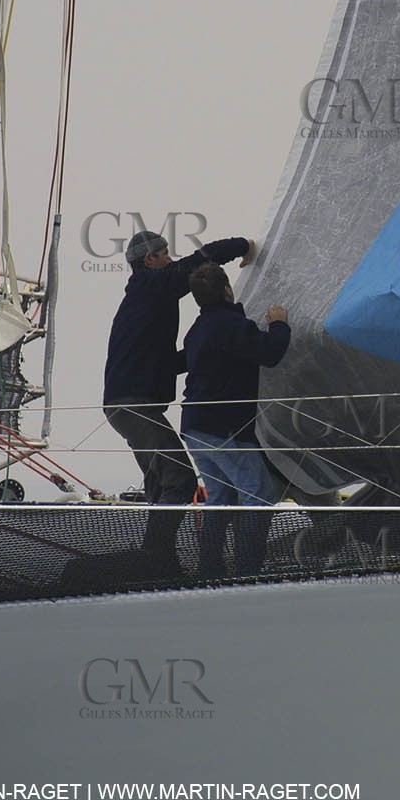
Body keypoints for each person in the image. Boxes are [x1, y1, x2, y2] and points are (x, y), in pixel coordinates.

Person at [102, 229, 255, 568]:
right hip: (133, 405)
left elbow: (163, 362)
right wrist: (243, 246)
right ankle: (155, 557)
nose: (170, 259)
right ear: (149, 260)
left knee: (160, 483)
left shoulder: (146, 297)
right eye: (165, 254)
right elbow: (199, 262)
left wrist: (206, 350)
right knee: (180, 478)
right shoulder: (150, 286)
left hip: (127, 404)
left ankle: (160, 561)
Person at [180, 263, 291, 576]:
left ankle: (209, 569)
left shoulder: (198, 329)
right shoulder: (231, 325)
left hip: (194, 426)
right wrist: (279, 324)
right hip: (225, 427)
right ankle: (248, 569)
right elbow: (269, 353)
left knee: (221, 496)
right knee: (259, 495)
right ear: (227, 290)